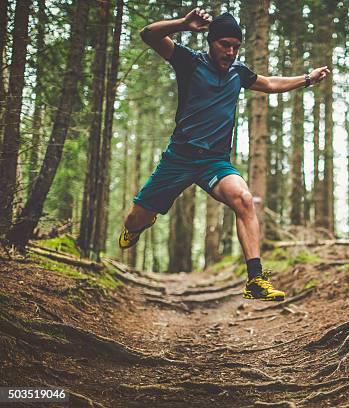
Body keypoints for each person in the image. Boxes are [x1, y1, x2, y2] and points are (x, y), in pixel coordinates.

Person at [118, 8, 330, 301]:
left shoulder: (238, 73)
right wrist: (183, 24)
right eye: (224, 45)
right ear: (211, 42)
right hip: (179, 157)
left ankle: (255, 280)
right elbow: (149, 34)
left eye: (235, 47)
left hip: (214, 161)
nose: (230, 52)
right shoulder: (189, 62)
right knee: (133, 220)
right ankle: (141, 223)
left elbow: (269, 84)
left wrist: (307, 78)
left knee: (243, 199)